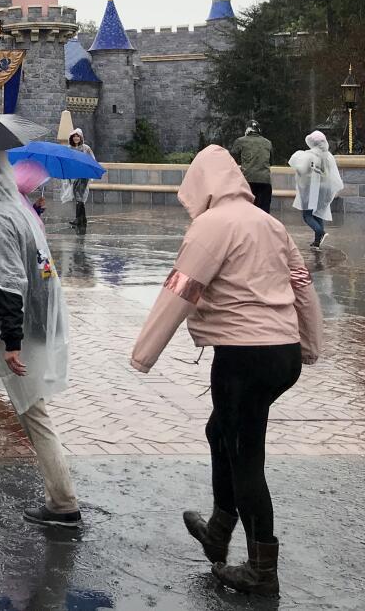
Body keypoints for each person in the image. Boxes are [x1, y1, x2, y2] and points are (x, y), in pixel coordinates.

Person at [131, 145, 323, 597]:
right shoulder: (270, 223)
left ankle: (260, 570)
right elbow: (302, 284)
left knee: (246, 459)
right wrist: (310, 345)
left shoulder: (211, 226)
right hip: (282, 355)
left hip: (243, 359)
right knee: (221, 431)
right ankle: (218, 527)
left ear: (201, 184)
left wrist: (143, 354)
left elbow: (180, 290)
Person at [0, 152, 79, 527]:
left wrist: (10, 343)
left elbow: (7, 284)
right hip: (18, 331)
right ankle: (62, 500)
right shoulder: (15, 210)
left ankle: (63, 502)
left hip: (6, 338)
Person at [288, 130, 344, 249]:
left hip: (310, 188)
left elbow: (302, 170)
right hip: (323, 189)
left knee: (307, 215)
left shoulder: (309, 155)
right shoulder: (328, 156)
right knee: (317, 213)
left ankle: (321, 232)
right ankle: (317, 242)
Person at [230, 121, 273, 212]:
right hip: (265, 181)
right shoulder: (268, 143)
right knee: (263, 211)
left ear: (247, 130)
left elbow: (231, 160)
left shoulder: (240, 141)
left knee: (246, 210)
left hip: (247, 180)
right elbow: (271, 162)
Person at [61, 130, 94, 232]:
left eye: (78, 136)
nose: (76, 138)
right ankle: (82, 219)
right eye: (74, 136)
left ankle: (78, 219)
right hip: (73, 175)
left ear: (81, 138)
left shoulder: (86, 148)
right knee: (77, 196)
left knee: (79, 196)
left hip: (83, 174)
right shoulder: (69, 149)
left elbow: (91, 160)